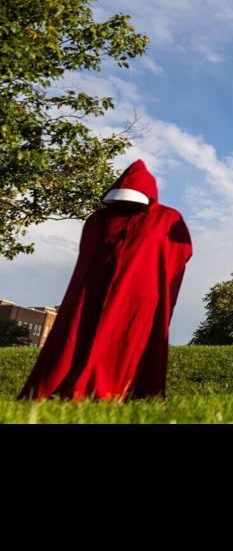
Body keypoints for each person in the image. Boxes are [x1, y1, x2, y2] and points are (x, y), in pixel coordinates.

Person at [18, 160, 193, 401]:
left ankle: (124, 391)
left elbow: (177, 253)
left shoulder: (166, 219)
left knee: (130, 341)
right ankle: (76, 387)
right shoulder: (98, 221)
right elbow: (89, 259)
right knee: (84, 333)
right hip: (94, 292)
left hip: (140, 295)